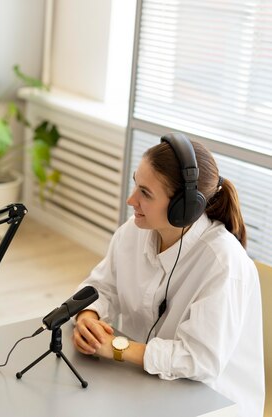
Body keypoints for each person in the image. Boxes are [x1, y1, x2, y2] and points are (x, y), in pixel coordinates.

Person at [72, 133, 264, 417]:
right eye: (135, 183)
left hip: (211, 400)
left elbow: (199, 360)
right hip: (145, 382)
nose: (130, 199)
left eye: (145, 193)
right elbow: (101, 286)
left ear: (184, 209)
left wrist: (116, 348)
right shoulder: (133, 233)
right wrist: (88, 318)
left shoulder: (223, 263)